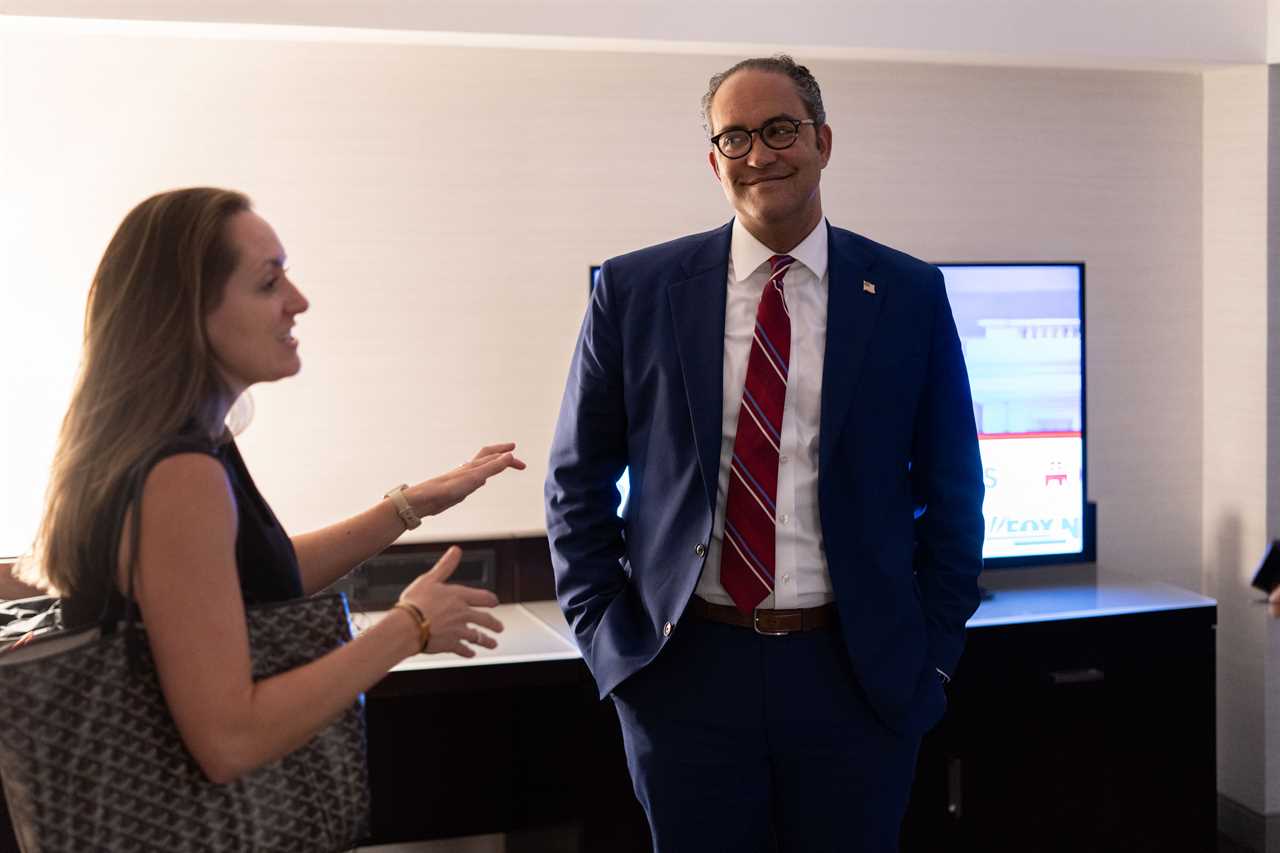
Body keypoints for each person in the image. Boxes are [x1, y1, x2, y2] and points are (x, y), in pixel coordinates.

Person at [545, 56, 984, 851]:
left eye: (779, 129)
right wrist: (609, 641)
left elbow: (954, 492)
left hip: (856, 674)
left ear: (821, 140)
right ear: (714, 161)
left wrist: (936, 654)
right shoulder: (635, 291)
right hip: (685, 671)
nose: (759, 154)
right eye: (735, 137)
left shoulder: (910, 295)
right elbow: (576, 484)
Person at [14, 187, 524, 784]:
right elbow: (230, 739)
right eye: (268, 283)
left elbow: (251, 578)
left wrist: (407, 508)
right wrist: (408, 628)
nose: (298, 302)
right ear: (187, 310)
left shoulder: (175, 447)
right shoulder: (181, 476)